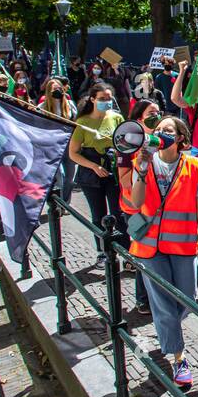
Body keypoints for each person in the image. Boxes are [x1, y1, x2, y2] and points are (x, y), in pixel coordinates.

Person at [128, 116, 198, 389]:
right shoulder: (142, 162)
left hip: (183, 243)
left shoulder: (192, 164)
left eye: (168, 129)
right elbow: (136, 201)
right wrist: (142, 169)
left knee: (188, 298)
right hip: (150, 246)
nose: (162, 132)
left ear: (179, 137)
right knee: (163, 302)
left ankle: (168, 333)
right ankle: (179, 357)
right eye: (158, 129)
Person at [69, 82, 131, 269]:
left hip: (112, 169)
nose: (107, 102)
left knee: (118, 213)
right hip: (91, 173)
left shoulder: (117, 118)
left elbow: (125, 144)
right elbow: (73, 153)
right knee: (98, 214)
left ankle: (126, 253)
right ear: (93, 99)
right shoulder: (82, 122)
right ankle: (102, 252)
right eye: (102, 99)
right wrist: (93, 166)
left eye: (109, 98)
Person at [119, 98, 163, 314]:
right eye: (151, 112)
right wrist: (141, 161)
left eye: (158, 111)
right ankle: (143, 298)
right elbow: (125, 181)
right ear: (139, 118)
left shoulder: (162, 140)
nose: (156, 115)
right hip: (135, 208)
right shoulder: (128, 144)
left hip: (157, 206)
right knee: (143, 252)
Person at [39, 76, 78, 200]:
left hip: (68, 144)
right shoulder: (42, 107)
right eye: (54, 89)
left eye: (59, 88)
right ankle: (55, 202)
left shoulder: (70, 105)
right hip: (52, 146)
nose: (57, 91)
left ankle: (65, 203)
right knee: (58, 175)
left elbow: (76, 123)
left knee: (70, 178)